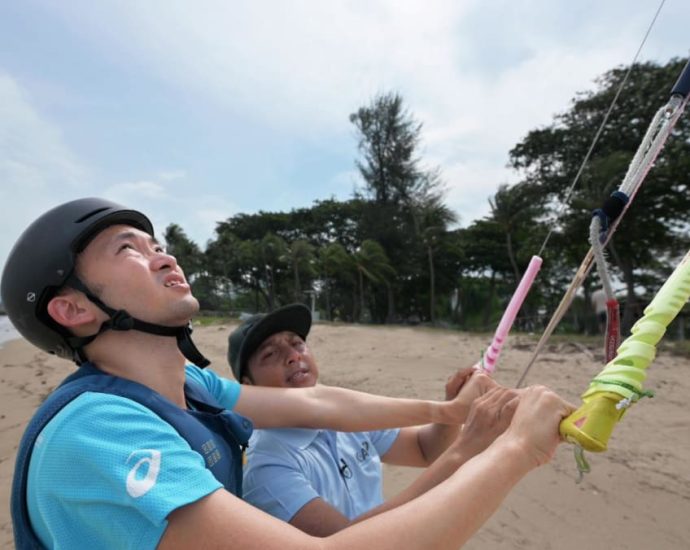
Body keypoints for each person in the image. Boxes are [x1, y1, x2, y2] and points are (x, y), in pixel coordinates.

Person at [3, 197, 574, 550]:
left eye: (158, 244)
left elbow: (322, 406)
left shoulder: (190, 389)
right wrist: (515, 450)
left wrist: (444, 413)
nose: (164, 256)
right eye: (128, 248)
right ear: (73, 309)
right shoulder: (99, 431)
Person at [230, 304, 521, 536]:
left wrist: (451, 406)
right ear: (248, 385)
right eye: (270, 354)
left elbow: (424, 449)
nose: (293, 355)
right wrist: (467, 447)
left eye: (298, 343)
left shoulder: (350, 416)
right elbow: (350, 542)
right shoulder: (265, 464)